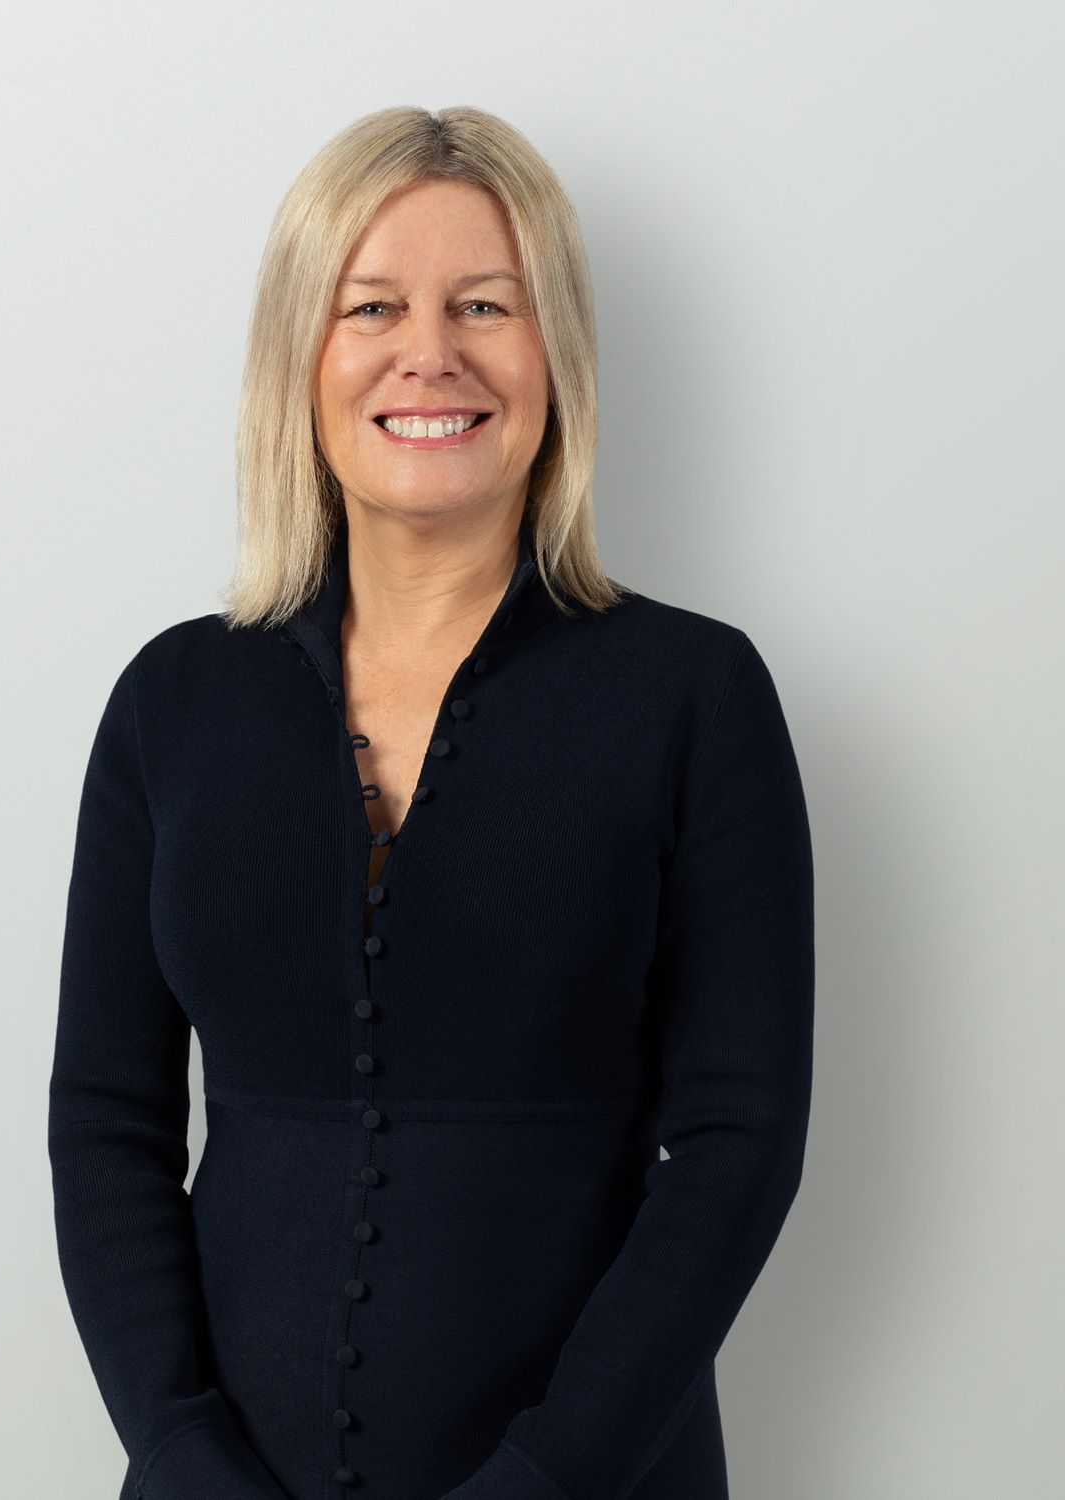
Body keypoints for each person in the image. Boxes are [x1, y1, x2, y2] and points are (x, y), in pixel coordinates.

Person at [47, 104, 814, 1500]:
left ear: (555, 352)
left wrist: (545, 1480)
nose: (430, 354)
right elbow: (107, 1120)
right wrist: (179, 1453)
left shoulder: (694, 696)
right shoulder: (172, 702)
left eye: (484, 305)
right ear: (302, 358)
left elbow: (737, 1142)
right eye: (373, 306)